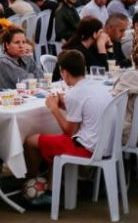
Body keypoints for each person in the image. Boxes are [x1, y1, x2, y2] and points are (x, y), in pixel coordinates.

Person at [24, 50, 113, 190]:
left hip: (89, 149)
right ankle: (51, 183)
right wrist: (64, 106)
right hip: (108, 144)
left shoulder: (75, 93)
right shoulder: (97, 85)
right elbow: (86, 111)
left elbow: (70, 132)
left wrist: (54, 109)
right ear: (84, 69)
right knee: (53, 138)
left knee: (30, 140)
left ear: (64, 72)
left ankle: (30, 181)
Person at [0, 26, 40, 90]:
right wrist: (33, 76)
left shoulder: (26, 58)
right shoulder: (3, 62)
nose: (21, 46)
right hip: (2, 98)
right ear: (7, 45)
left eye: (23, 42)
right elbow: (25, 82)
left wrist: (32, 78)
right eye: (17, 42)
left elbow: (41, 77)